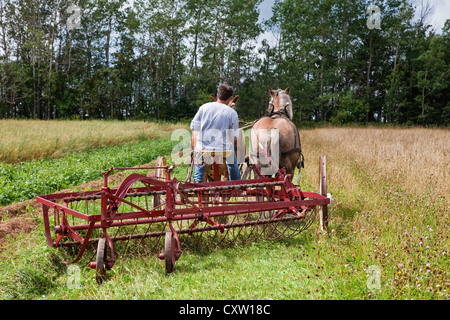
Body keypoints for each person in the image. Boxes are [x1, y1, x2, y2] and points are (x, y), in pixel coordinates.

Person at [190, 84, 241, 183]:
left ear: (217, 95)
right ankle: (236, 182)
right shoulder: (232, 113)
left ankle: (198, 182)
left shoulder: (204, 107)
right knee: (233, 163)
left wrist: (199, 143)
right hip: (223, 148)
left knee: (198, 156)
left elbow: (194, 127)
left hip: (203, 147)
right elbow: (234, 136)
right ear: (230, 98)